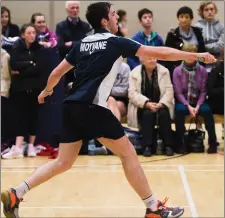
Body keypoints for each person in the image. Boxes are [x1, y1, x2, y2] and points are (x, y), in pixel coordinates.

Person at [1, 2, 216, 218]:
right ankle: (153, 208)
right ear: (105, 21)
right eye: (113, 14)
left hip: (71, 106)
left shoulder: (81, 43)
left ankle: (15, 193)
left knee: (63, 162)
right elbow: (160, 53)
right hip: (93, 107)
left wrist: (46, 91)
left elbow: (57, 73)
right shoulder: (115, 42)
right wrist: (195, 56)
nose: (117, 18)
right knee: (129, 154)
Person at [2, 24, 43, 159]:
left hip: (35, 88)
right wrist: (31, 63)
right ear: (23, 35)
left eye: (33, 33)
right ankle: (18, 147)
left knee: (34, 116)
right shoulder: (17, 48)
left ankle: (31, 145)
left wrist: (24, 67)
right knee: (20, 117)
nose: (32, 35)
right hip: (20, 89)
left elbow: (39, 68)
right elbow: (14, 64)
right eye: (29, 33)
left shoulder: (39, 49)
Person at [173, 43, 219, 154]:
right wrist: (188, 106)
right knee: (178, 111)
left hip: (199, 101)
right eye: (187, 55)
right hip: (184, 101)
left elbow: (203, 91)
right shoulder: (177, 71)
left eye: (193, 55)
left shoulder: (202, 70)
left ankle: (212, 142)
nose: (190, 57)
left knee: (207, 111)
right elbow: (178, 93)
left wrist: (197, 107)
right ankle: (180, 143)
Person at [127, 58, 174, 156]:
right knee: (147, 114)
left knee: (164, 114)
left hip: (161, 104)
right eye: (149, 58)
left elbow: (169, 91)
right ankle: (147, 146)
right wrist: (146, 103)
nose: (152, 60)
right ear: (142, 60)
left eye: (154, 58)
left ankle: (168, 145)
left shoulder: (164, 71)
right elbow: (132, 94)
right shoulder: (134, 73)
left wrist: (161, 104)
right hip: (142, 105)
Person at [55, 1, 92, 87]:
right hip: (66, 65)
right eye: (72, 8)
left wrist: (71, 43)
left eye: (77, 8)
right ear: (67, 10)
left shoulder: (85, 26)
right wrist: (79, 43)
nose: (75, 10)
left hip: (82, 65)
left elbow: (88, 45)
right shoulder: (60, 26)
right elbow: (60, 47)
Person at [164, 6, 205, 78]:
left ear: (191, 19)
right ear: (178, 18)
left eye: (187, 17)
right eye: (181, 17)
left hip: (197, 68)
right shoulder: (172, 34)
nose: (184, 19)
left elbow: (202, 51)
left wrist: (201, 68)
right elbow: (168, 56)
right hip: (179, 70)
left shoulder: (197, 32)